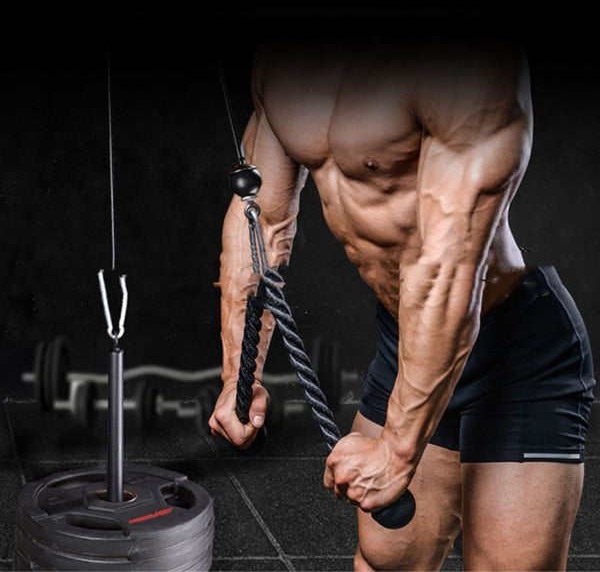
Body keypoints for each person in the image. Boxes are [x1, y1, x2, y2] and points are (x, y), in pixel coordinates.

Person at [208, 32, 595, 570]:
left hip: (516, 352)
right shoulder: (282, 61)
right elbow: (262, 222)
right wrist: (240, 373)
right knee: (384, 560)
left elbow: (449, 269)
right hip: (408, 340)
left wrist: (397, 450)